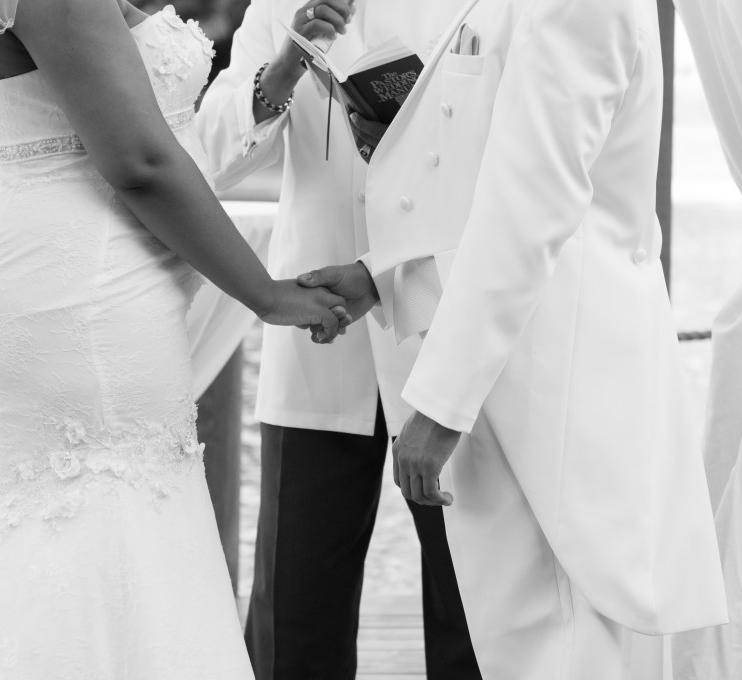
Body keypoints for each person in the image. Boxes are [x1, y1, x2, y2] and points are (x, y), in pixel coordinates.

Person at [0, 0, 349, 676]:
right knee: (92, 522)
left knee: (101, 524)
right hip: (76, 291)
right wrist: (266, 295)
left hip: (101, 274)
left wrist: (276, 78)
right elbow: (141, 161)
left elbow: (164, 133)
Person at [298, 0, 730, 676]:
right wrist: (380, 278)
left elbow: (533, 210)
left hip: (555, 401)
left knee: (563, 647)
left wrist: (442, 403)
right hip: (508, 381)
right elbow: (473, 187)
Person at [196, 1, 482, 678]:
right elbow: (213, 154)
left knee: (470, 603)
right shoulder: (279, 7)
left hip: (441, 323)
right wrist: (290, 60)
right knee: (294, 609)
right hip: (320, 323)